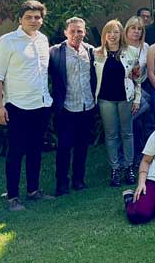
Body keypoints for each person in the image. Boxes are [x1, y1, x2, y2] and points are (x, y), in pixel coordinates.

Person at [0, 0, 54, 211]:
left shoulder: (43, 40)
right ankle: (13, 197)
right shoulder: (7, 41)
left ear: (41, 20)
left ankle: (33, 190)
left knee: (36, 150)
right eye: (29, 17)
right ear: (20, 19)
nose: (33, 21)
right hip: (17, 106)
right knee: (16, 152)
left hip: (41, 105)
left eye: (37, 17)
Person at [49, 17, 97, 196]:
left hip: (87, 106)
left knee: (82, 146)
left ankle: (79, 180)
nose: (77, 34)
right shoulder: (55, 52)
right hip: (66, 108)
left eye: (80, 31)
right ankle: (61, 184)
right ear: (65, 32)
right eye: (73, 31)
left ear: (85, 32)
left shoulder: (91, 51)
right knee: (64, 147)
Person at [95, 20, 141, 187]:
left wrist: (137, 99)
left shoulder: (132, 52)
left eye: (116, 32)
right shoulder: (97, 53)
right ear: (104, 35)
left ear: (121, 34)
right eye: (109, 32)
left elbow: (137, 78)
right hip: (106, 99)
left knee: (127, 133)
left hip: (125, 98)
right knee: (111, 135)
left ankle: (128, 167)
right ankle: (115, 168)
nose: (112, 35)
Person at [124, 16, 153, 166]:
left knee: (144, 124)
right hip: (126, 90)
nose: (136, 31)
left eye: (139, 29)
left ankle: (144, 155)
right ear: (127, 30)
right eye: (133, 28)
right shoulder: (121, 47)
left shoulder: (145, 47)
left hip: (143, 87)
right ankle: (132, 156)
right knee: (133, 124)